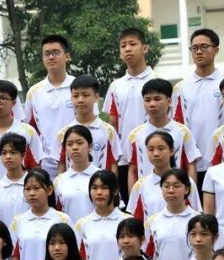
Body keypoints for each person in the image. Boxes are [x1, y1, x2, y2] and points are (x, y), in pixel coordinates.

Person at [103, 28, 156, 202]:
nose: (128, 49)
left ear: (145, 48)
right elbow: (112, 123)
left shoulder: (156, 81)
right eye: (123, 46)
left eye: (133, 44)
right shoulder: (116, 86)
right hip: (125, 159)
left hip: (153, 154)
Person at [173, 29, 224, 189]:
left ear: (216, 50)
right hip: (190, 165)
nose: (198, 52)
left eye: (204, 47)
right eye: (194, 48)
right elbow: (176, 126)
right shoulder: (181, 88)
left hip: (221, 162)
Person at [125, 78, 200, 190]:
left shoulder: (183, 132)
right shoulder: (135, 135)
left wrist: (189, 192)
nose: (152, 104)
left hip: (175, 194)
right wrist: (134, 197)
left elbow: (191, 165)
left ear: (169, 101)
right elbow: (132, 169)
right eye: (147, 100)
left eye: (157, 99)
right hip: (147, 194)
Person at [144, 170, 198, 260]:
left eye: (176, 186)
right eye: (166, 186)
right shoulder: (152, 221)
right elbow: (148, 256)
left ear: (187, 189)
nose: (171, 190)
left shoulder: (197, 220)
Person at [0, 80, 42, 191]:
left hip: (22, 194)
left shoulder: (27, 132)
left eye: (3, 98)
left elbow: (36, 166)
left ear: (14, 102)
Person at [24, 35, 77, 179]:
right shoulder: (34, 92)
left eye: (56, 52)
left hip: (76, 158)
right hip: (45, 163)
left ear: (67, 56)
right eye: (47, 54)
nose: (51, 57)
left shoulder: (79, 87)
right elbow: (29, 130)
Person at [127, 132, 203, 222]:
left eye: (161, 148)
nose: (156, 153)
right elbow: (135, 219)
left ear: (171, 151)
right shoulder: (140, 185)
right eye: (151, 149)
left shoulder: (187, 182)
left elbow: (196, 216)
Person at [55, 75, 119, 176]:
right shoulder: (63, 133)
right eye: (76, 96)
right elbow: (62, 165)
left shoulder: (108, 131)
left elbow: (113, 165)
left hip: (100, 186)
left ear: (96, 97)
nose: (80, 100)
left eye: (85, 95)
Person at [73, 170, 131, 260]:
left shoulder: (127, 221)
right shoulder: (82, 225)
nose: (99, 192)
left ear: (115, 191)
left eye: (104, 188)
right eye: (94, 188)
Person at [10, 169, 70, 260]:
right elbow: (15, 257)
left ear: (49, 190)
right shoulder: (18, 221)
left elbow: (71, 252)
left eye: (36, 188)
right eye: (28, 189)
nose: (32, 193)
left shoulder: (62, 219)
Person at [53, 125, 101, 225]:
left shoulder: (102, 176)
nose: (74, 147)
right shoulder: (58, 181)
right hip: (69, 233)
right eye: (70, 144)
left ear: (90, 146)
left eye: (80, 143)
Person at [0, 132, 32, 221]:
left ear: (23, 155)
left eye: (13, 152)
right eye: (4, 153)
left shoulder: (36, 186)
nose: (8, 157)